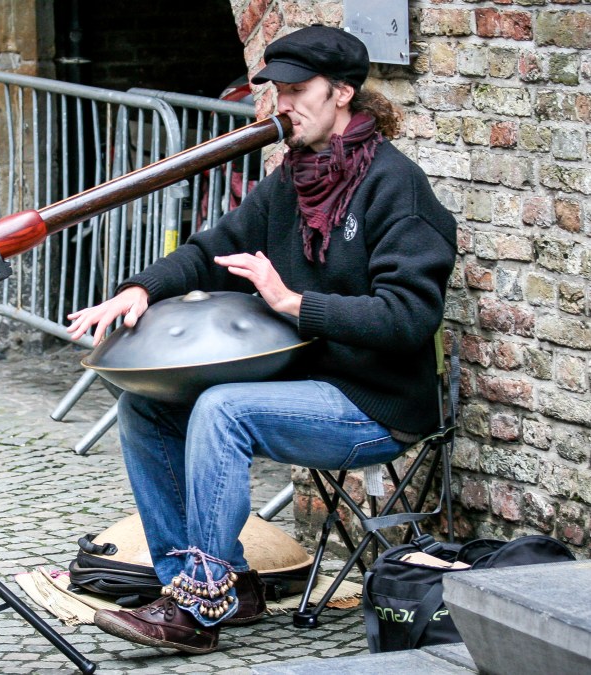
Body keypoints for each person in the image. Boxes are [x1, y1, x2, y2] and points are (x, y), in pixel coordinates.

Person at [66, 24, 457, 654]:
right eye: (277, 91)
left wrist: (293, 303)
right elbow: (209, 250)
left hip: (374, 402)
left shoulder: (395, 186)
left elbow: (408, 318)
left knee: (224, 408)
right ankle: (215, 586)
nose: (284, 105)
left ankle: (197, 609)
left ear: (343, 94)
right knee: (144, 404)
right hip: (302, 384)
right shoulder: (292, 181)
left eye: (300, 90)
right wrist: (141, 288)